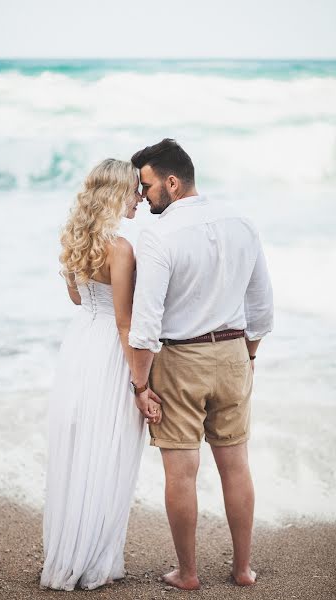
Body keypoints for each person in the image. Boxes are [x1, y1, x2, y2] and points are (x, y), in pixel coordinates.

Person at [128, 139, 274, 590]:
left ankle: (188, 574)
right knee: (236, 465)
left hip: (180, 358)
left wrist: (139, 386)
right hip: (233, 353)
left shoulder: (160, 234)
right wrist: (248, 358)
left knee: (181, 472)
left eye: (147, 185)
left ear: (172, 182)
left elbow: (145, 323)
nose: (141, 195)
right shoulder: (241, 223)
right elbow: (262, 306)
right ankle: (243, 570)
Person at [40, 158, 162, 591]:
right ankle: (95, 559)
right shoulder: (121, 249)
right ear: (116, 194)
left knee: (80, 451)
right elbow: (126, 323)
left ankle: (71, 552)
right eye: (133, 191)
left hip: (79, 347)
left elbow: (78, 300)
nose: (139, 199)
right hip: (110, 352)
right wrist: (140, 385)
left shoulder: (75, 241)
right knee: (107, 450)